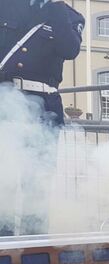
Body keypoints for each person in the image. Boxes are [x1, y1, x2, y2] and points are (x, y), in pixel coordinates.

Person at [0, 0, 84, 236]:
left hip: (44, 110)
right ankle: (3, 248)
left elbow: (70, 50)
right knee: (4, 179)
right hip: (6, 104)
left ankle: (33, 248)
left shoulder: (68, 15)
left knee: (36, 182)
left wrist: (56, 7)